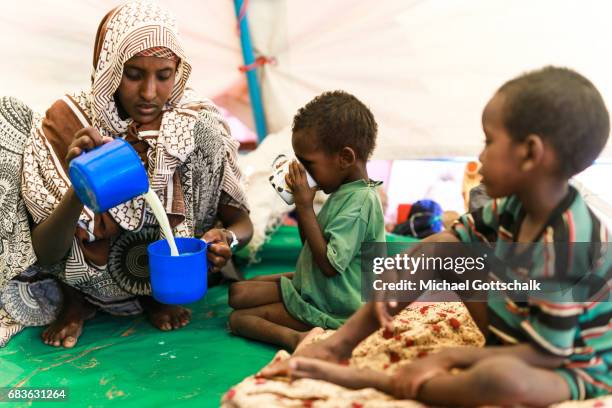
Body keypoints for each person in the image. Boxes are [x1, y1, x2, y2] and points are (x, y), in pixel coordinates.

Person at [262, 67, 612, 406]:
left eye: (489, 142)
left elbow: (546, 354)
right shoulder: (515, 206)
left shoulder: (567, 241)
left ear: (530, 154)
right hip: (517, 324)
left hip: (572, 362)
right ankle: (340, 345)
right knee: (442, 248)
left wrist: (449, 359)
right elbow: (451, 239)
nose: (480, 155)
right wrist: (399, 273)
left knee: (503, 381)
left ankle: (378, 381)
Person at [0, 0, 253, 349]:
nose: (149, 93)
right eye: (133, 74)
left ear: (178, 72)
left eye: (164, 76)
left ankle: (154, 295)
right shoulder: (68, 121)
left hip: (160, 277)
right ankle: (77, 300)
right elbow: (46, 254)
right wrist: (79, 184)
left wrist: (228, 240)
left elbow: (242, 224)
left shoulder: (192, 122)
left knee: (205, 131)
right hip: (81, 275)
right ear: (110, 68)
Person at [228, 91, 385, 351]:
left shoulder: (361, 202)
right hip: (321, 284)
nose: (303, 171)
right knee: (238, 293)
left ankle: (298, 338)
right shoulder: (343, 192)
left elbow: (329, 266)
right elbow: (310, 247)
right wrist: (304, 208)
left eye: (308, 164)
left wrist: (304, 205)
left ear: (345, 158)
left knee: (240, 318)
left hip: (338, 303)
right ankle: (299, 302)